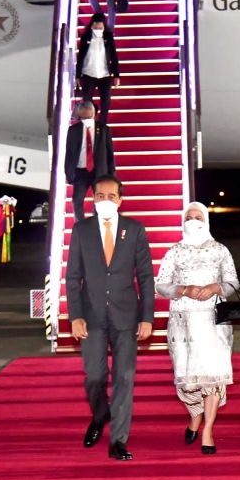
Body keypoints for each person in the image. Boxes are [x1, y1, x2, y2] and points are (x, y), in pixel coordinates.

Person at [66, 174, 154, 461]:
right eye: (100, 196)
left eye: (111, 196)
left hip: (126, 315)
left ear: (121, 200)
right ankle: (100, 413)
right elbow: (73, 276)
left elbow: (145, 277)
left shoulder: (135, 230)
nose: (105, 201)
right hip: (90, 316)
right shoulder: (81, 230)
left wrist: (147, 317)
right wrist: (75, 315)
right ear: (93, 199)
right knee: (94, 376)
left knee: (124, 378)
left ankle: (118, 440)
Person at [155, 202, 239, 455]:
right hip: (183, 324)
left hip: (214, 322)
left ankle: (208, 430)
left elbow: (233, 282)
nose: (193, 220)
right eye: (189, 217)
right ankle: (195, 415)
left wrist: (215, 288)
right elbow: (161, 285)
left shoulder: (220, 250)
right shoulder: (175, 251)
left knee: (213, 378)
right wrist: (183, 290)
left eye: (198, 216)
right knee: (186, 381)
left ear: (206, 220)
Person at [65, 102, 114, 221]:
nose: (86, 116)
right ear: (80, 114)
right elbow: (69, 153)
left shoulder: (103, 129)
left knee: (100, 200)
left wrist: (112, 174)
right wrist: (68, 173)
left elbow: (109, 153)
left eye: (88, 113)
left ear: (93, 114)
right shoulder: (73, 130)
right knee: (77, 200)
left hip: (99, 171)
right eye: (83, 114)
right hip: (81, 171)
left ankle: (97, 223)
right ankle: (81, 226)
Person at [76, 12, 120, 127]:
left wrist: (116, 75)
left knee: (106, 102)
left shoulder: (108, 37)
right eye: (96, 27)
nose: (98, 30)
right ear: (92, 26)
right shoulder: (86, 37)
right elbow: (80, 57)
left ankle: (102, 125)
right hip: (88, 73)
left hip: (105, 74)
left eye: (100, 28)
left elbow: (114, 56)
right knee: (87, 101)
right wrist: (77, 75)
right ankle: (88, 123)